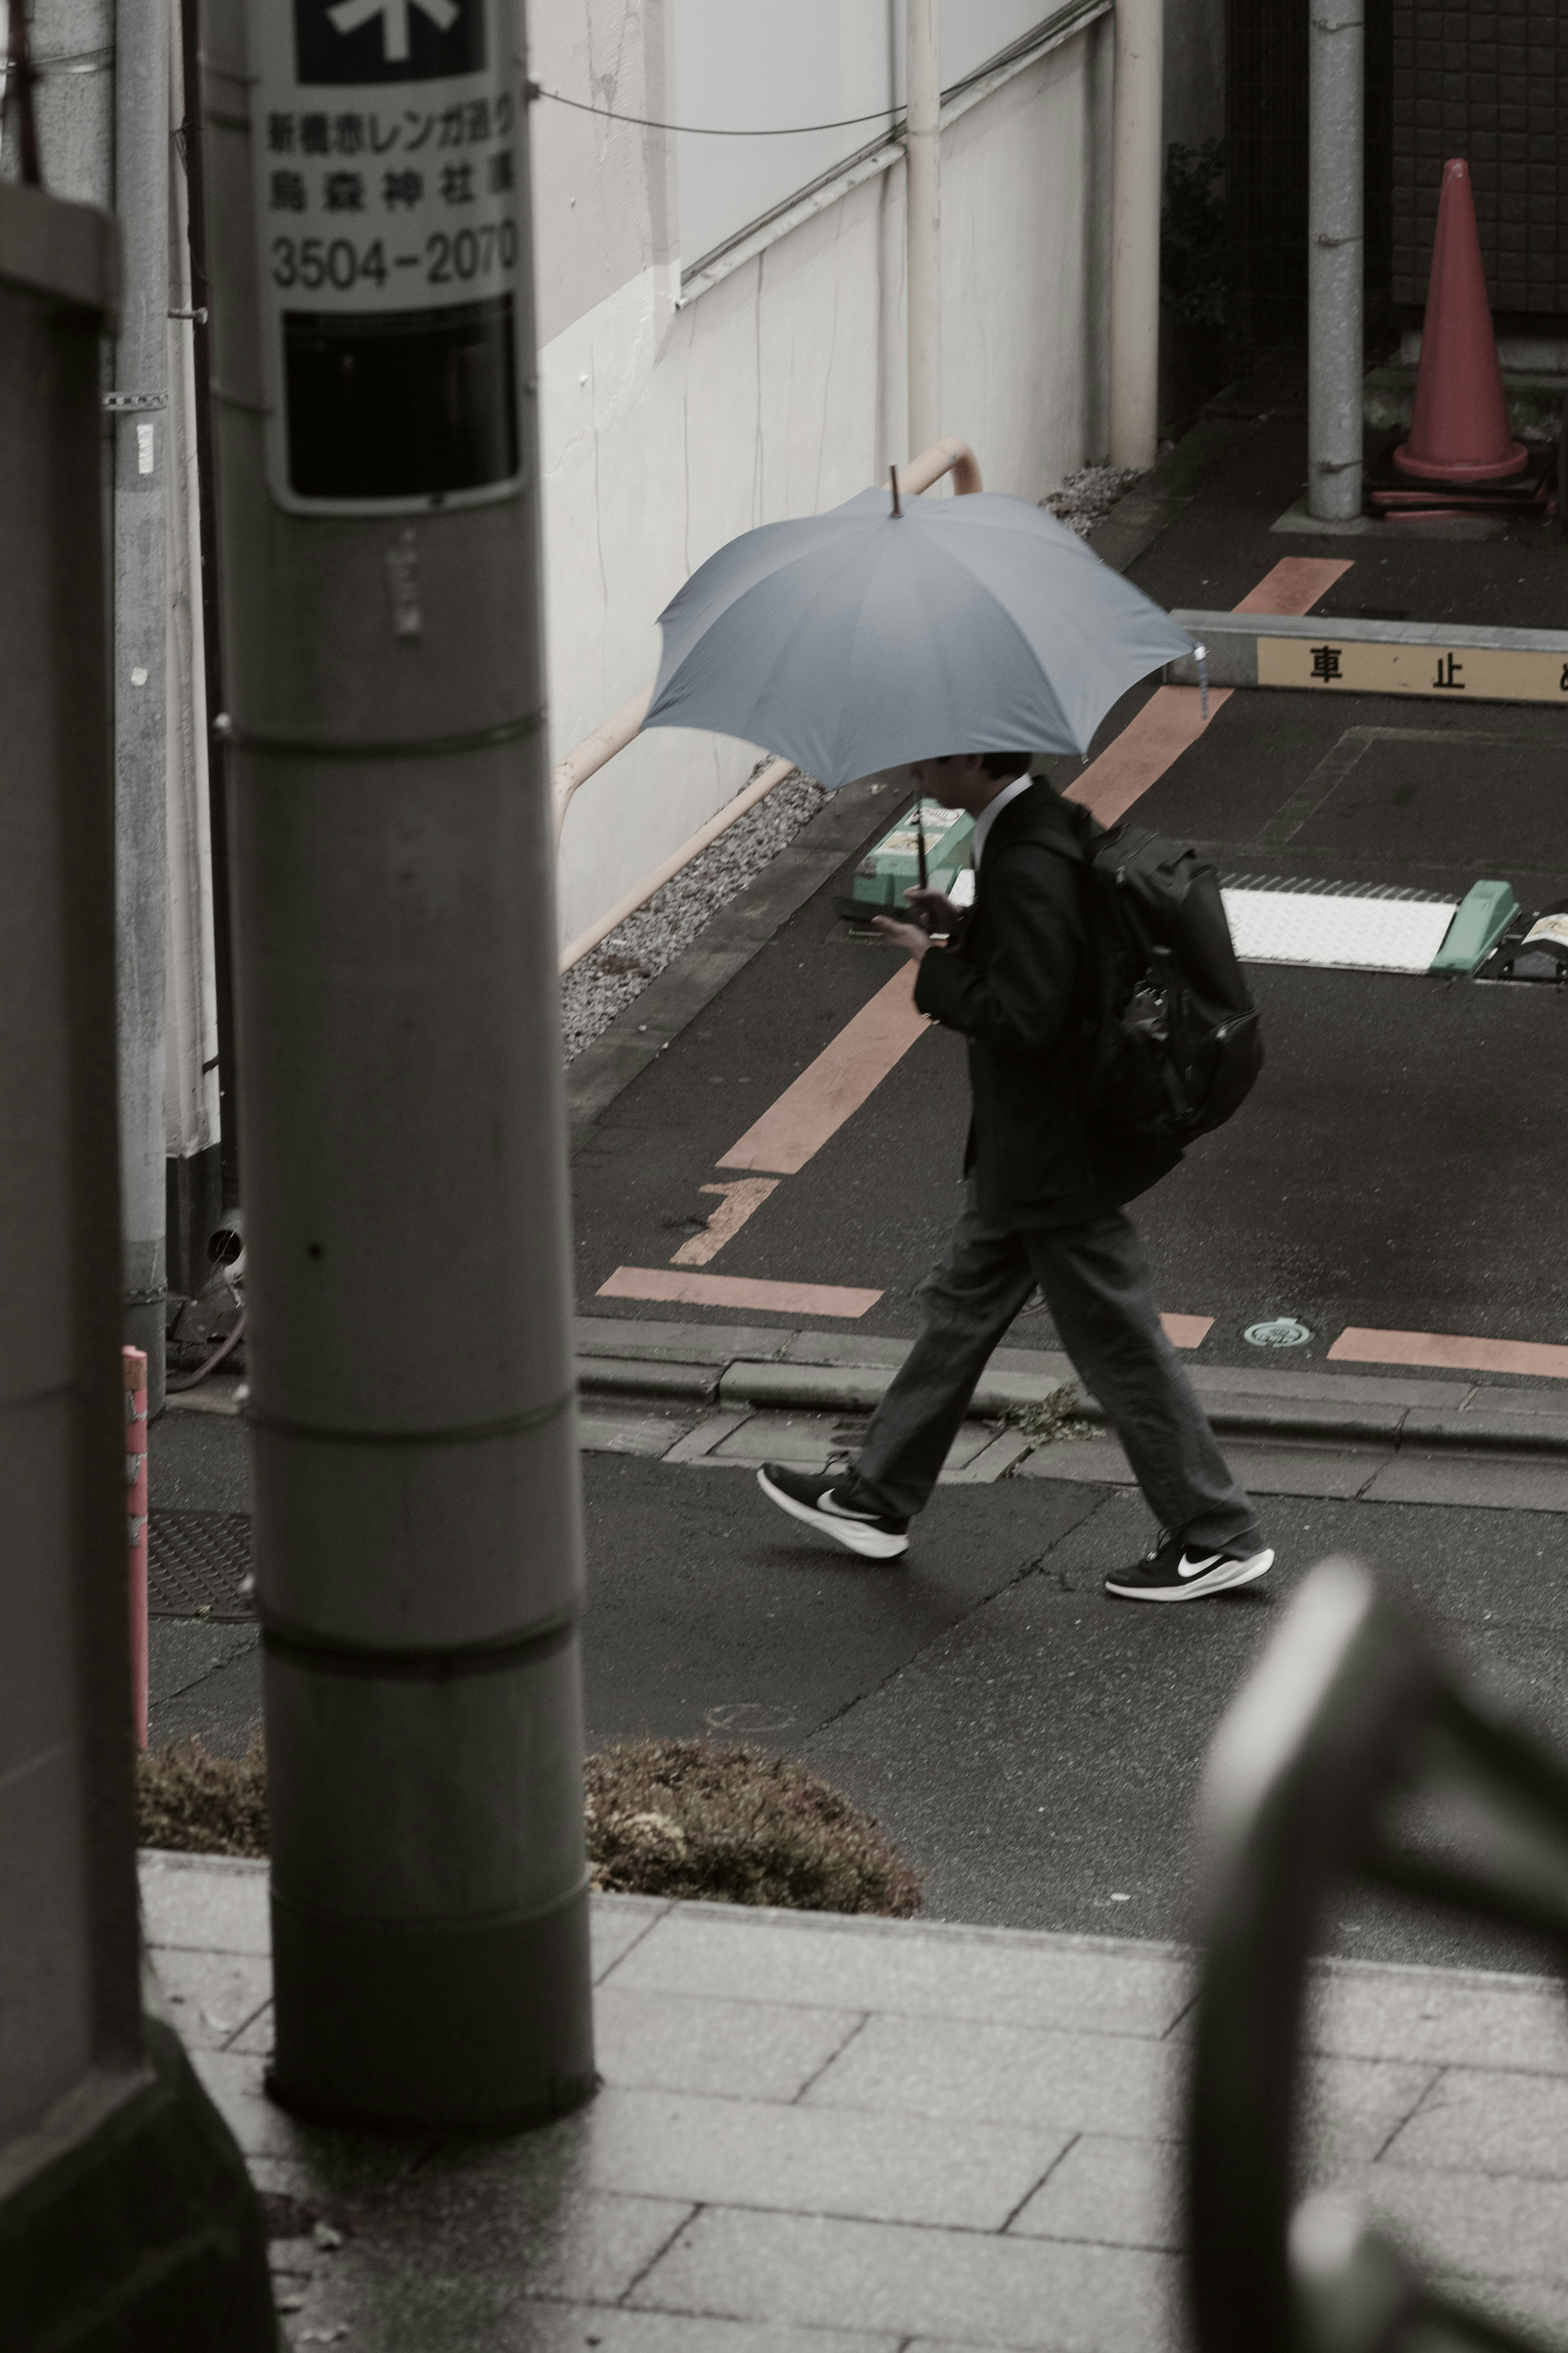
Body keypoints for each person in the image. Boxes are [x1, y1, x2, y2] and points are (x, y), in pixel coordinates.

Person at [756, 750, 1272, 1603]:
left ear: (969, 757)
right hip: (1029, 1149)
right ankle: (876, 1497)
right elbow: (1059, 964)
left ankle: (1216, 1532)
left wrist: (934, 965)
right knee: (962, 1306)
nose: (914, 770)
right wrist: (963, 924)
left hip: (1049, 1154)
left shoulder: (1025, 856)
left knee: (1118, 1341)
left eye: (929, 757)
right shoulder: (1042, 823)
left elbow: (1028, 1016)